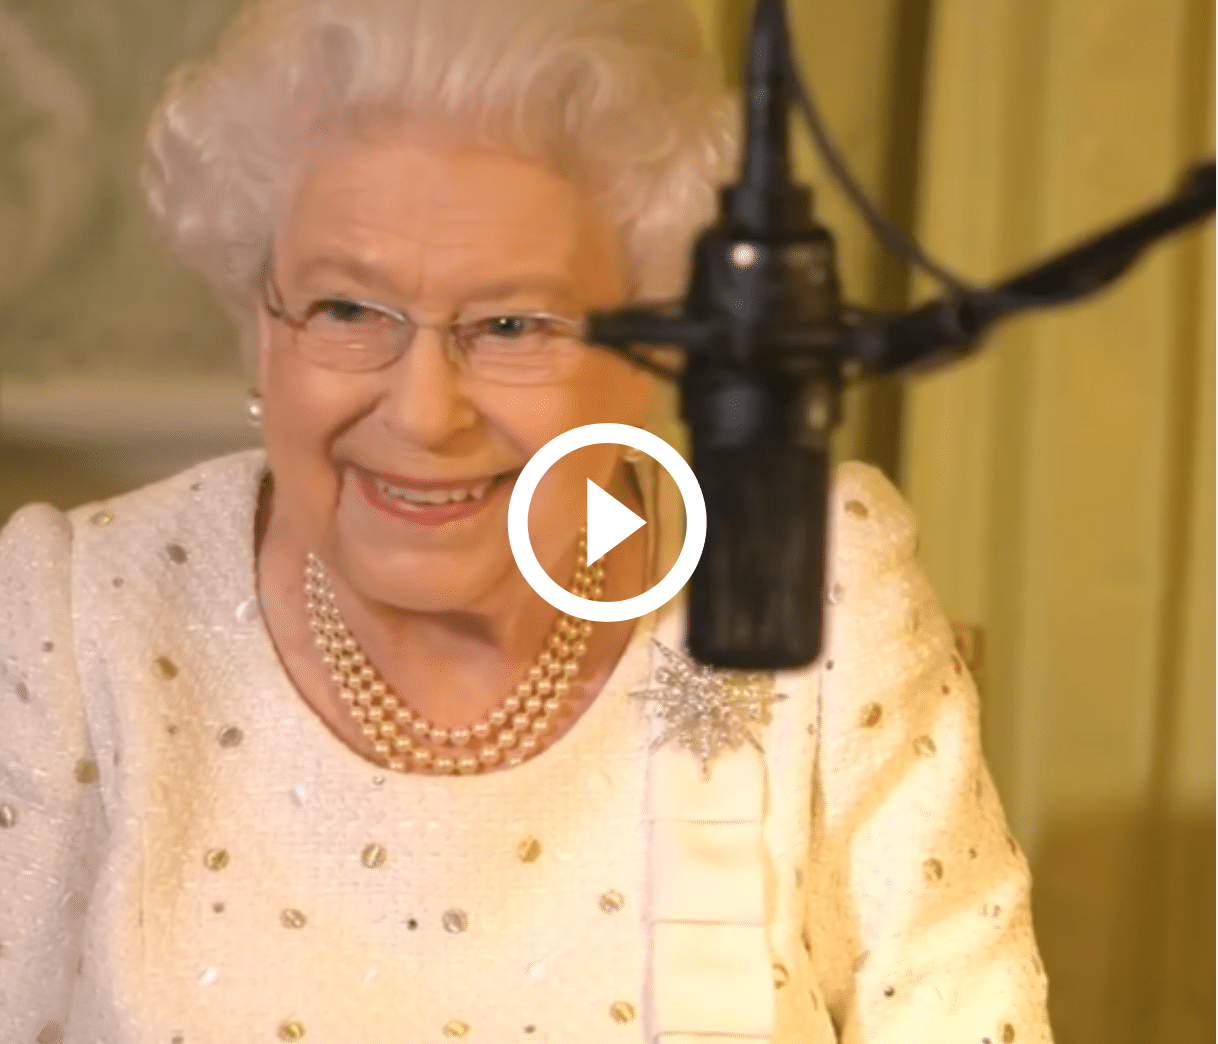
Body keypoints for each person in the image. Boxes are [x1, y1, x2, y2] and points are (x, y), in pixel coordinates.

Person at [0, 1, 1055, 1041]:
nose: (423, 414)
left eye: (512, 324)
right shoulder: (75, 615)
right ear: (263, 326)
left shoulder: (814, 584)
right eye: (349, 311)